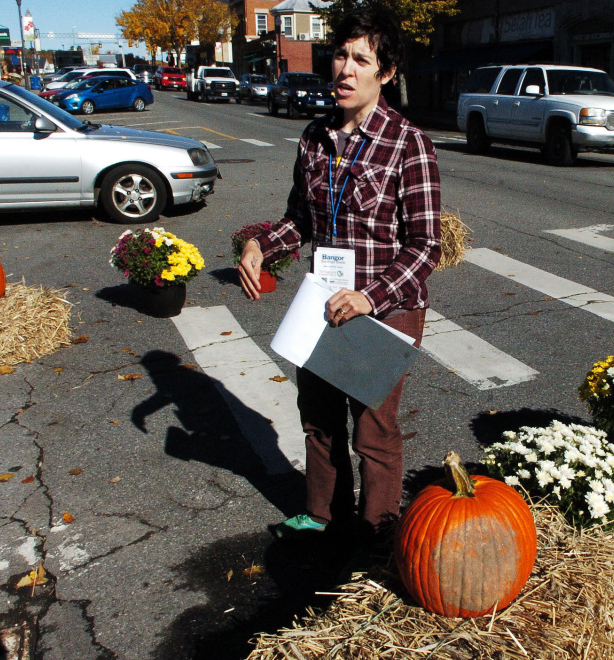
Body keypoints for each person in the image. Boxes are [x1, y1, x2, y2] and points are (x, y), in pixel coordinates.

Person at [237, 7, 441, 542]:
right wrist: (263, 244)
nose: (345, 70)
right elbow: (300, 219)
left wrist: (370, 297)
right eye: (340, 55)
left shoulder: (408, 143)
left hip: (384, 311)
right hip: (322, 303)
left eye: (361, 59)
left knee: (374, 430)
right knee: (318, 417)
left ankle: (378, 530)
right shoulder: (313, 138)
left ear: (386, 73)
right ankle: (324, 512)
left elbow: (426, 247)